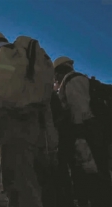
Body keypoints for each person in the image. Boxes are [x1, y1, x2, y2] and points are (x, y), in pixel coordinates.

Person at [0, 32, 56, 207]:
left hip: (12, 131)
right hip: (39, 129)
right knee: (38, 184)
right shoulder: (25, 60)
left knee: (18, 186)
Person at [53, 56, 112, 207]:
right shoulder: (76, 80)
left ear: (58, 72)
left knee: (94, 176)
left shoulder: (72, 80)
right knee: (91, 175)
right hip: (89, 135)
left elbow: (80, 112)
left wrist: (80, 140)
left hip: (87, 136)